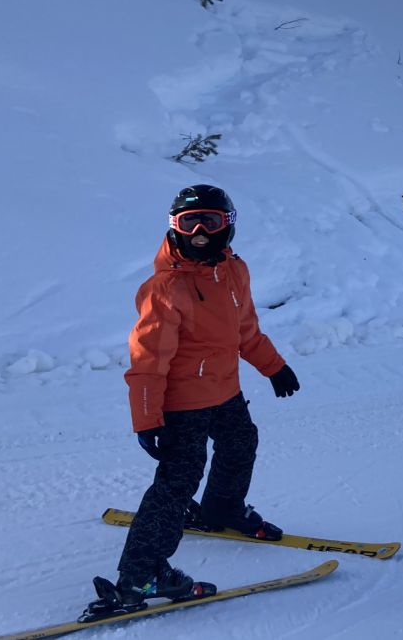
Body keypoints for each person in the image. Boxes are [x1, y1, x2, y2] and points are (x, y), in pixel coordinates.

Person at [86, 184, 301, 617]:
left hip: (224, 389)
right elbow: (147, 359)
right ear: (174, 228)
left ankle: (222, 508)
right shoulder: (165, 288)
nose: (200, 232)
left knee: (241, 441)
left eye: (211, 221)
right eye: (189, 223)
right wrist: (146, 418)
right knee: (177, 482)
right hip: (182, 401)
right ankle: (141, 575)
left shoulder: (234, 272)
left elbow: (246, 333)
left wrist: (273, 366)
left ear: (229, 227)